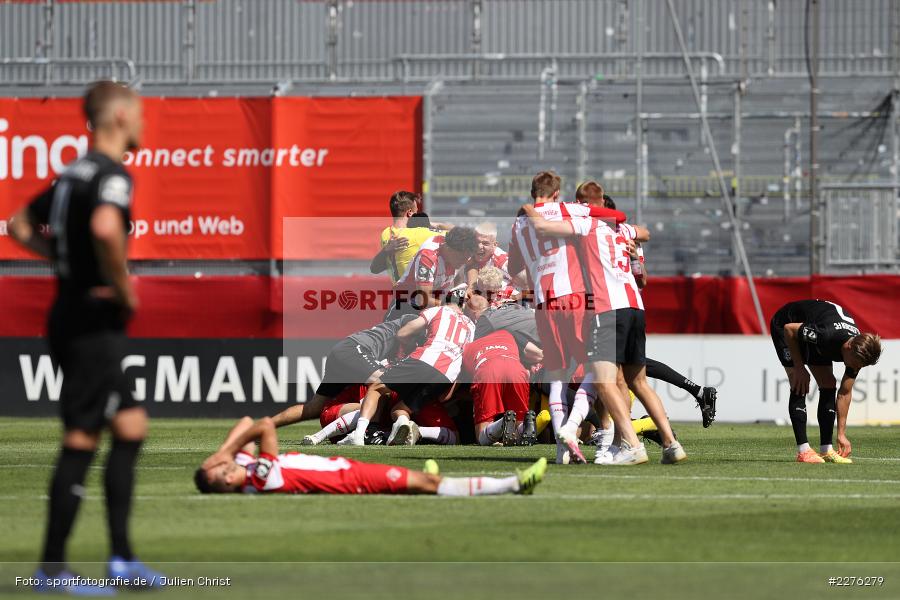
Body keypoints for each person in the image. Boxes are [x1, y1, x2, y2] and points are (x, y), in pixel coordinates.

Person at [8, 81, 160, 593]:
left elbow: (16, 224)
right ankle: (53, 568)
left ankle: (121, 558)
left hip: (73, 312)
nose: (142, 124)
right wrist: (122, 286)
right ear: (118, 116)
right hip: (92, 317)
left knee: (131, 424)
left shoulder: (71, 174)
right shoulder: (111, 174)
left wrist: (62, 262)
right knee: (83, 436)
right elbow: (103, 228)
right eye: (138, 115)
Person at [522, 180, 687, 466]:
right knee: (637, 381)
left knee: (603, 379)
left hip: (608, 308)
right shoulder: (622, 229)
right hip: (636, 306)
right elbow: (644, 233)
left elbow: (545, 228)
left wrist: (531, 208)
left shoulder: (588, 225)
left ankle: (629, 445)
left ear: (582, 204)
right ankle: (671, 444)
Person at [507, 172, 626, 464]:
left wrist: (536, 275)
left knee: (557, 374)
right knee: (598, 367)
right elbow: (617, 215)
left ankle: (562, 452)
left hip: (543, 302)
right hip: (575, 297)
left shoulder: (518, 224)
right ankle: (575, 426)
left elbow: (513, 269)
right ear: (557, 193)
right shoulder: (569, 209)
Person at [197, 417, 547, 496]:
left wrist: (220, 454)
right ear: (227, 479)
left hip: (347, 469)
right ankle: (514, 485)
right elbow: (261, 427)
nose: (226, 465)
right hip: (349, 480)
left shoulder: (243, 471)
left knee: (416, 481)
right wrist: (222, 454)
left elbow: (244, 423)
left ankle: (425, 478)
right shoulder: (260, 476)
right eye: (222, 469)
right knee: (429, 483)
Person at [343, 287, 476, 446]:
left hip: (425, 359)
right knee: (399, 410)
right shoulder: (471, 326)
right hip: (447, 375)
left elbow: (403, 333)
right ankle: (404, 426)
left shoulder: (438, 311)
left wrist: (410, 347)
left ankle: (358, 435)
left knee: (376, 388)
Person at [769, 299, 882, 463]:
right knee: (798, 380)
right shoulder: (825, 334)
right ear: (849, 347)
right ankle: (803, 451)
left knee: (829, 383)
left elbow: (844, 393)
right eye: (856, 364)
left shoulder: (859, 353)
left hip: (816, 330)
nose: (856, 368)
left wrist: (841, 434)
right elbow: (790, 330)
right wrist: (800, 367)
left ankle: (826, 450)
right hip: (786, 324)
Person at [269, 315, 419, 429]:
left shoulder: (400, 328)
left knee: (314, 408)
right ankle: (372, 431)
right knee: (382, 384)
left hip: (343, 350)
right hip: (355, 349)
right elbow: (402, 335)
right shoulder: (414, 320)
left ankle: (264, 427)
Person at [386, 227, 478, 320]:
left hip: (436, 306)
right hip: (406, 305)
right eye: (461, 258)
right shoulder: (428, 257)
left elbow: (472, 264)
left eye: (467, 257)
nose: (465, 261)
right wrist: (452, 305)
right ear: (448, 249)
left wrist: (470, 287)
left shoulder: (461, 248)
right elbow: (423, 301)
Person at [371, 191, 445, 284]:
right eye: (416, 212)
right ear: (410, 213)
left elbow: (375, 269)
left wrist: (385, 250)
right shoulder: (419, 234)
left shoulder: (386, 234)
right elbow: (456, 235)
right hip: (418, 294)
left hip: (398, 294)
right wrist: (437, 225)